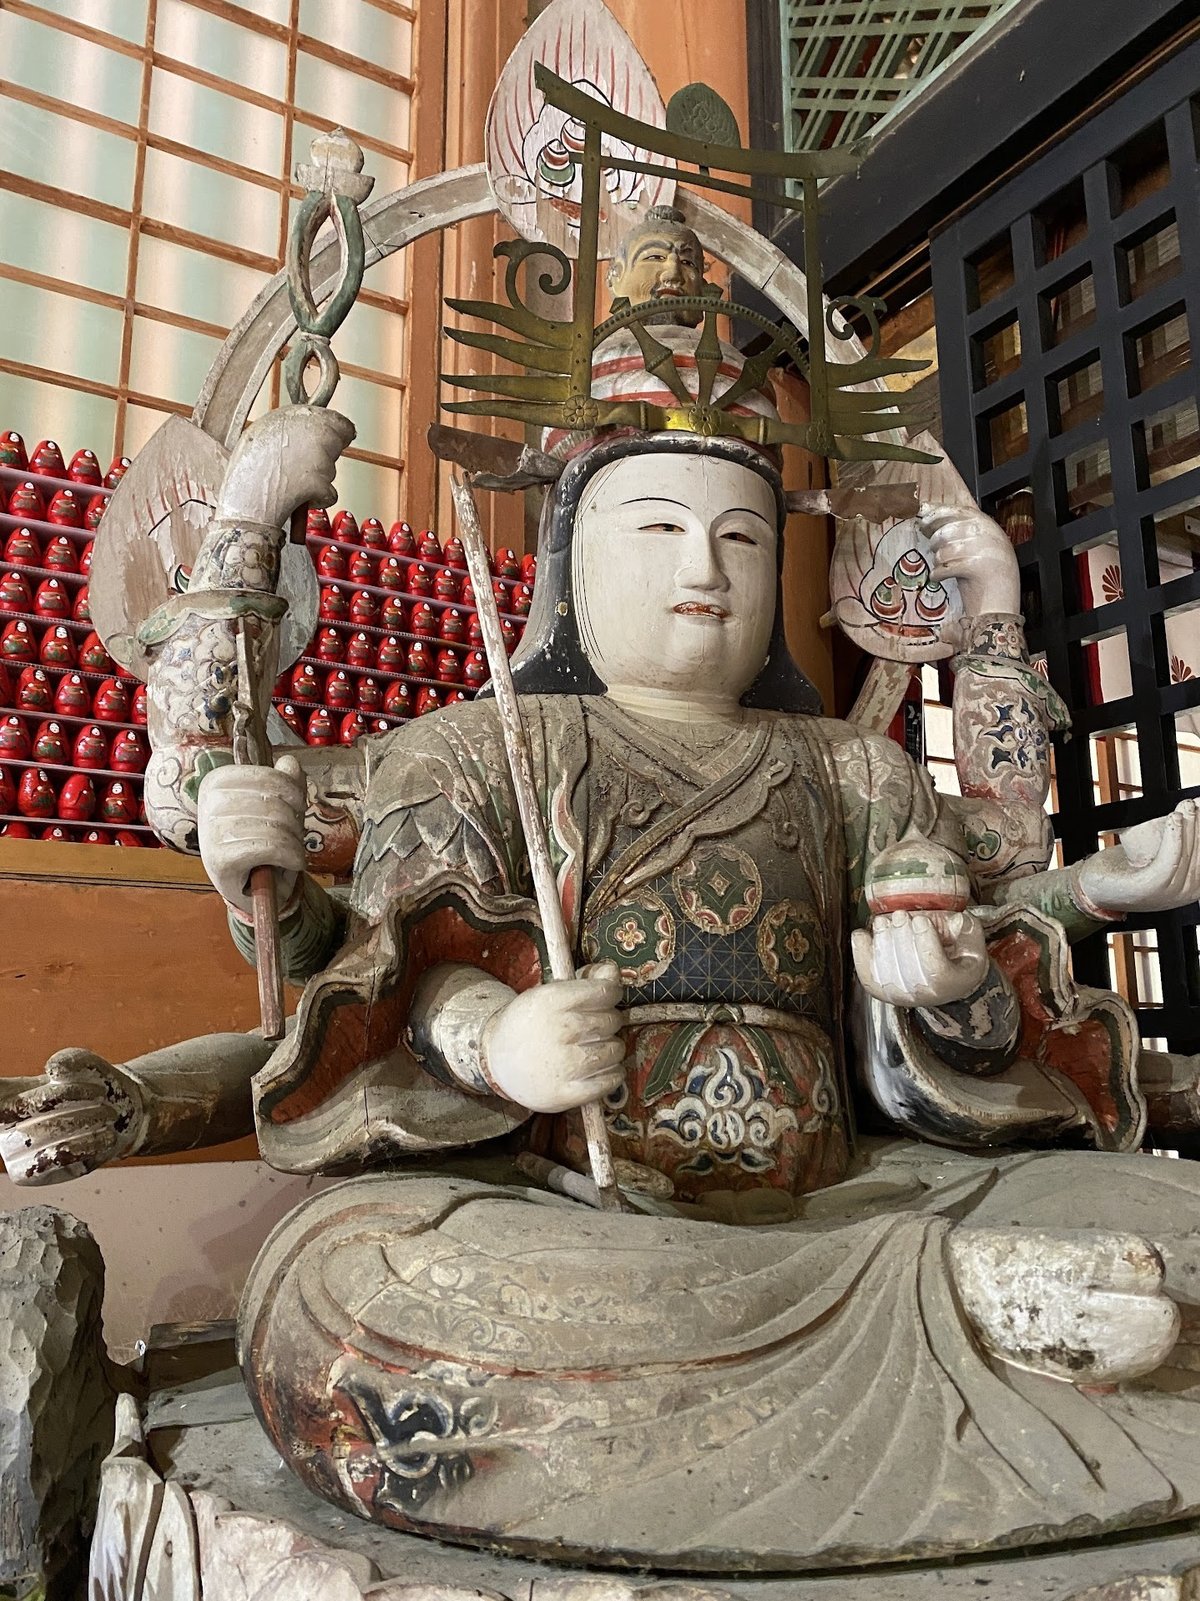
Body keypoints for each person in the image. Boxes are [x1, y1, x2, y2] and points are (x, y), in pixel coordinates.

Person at [6, 335, 1200, 1569]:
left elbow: (998, 862)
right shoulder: (467, 752)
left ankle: (965, 1306)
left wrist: (945, 999)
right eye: (659, 531)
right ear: (573, 568)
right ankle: (971, 1312)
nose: (706, 568)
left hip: (852, 1194)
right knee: (347, 1298)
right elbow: (329, 913)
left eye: (742, 539)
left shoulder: (857, 769)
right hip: (569, 1211)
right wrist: (495, 1040)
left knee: (1177, 1217)